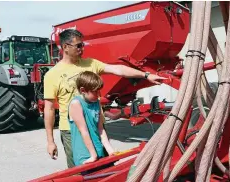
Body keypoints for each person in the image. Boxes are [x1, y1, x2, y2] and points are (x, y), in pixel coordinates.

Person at [44, 29, 166, 168]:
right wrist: (50, 141)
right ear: (65, 47)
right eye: (78, 45)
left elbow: (118, 69)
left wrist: (146, 75)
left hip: (97, 125)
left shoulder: (90, 64)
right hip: (72, 132)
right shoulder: (52, 75)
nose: (82, 48)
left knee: (106, 168)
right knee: (80, 171)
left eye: (82, 45)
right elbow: (49, 110)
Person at [68, 71, 114, 169]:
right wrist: (93, 155)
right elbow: (83, 131)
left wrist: (110, 151)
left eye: (99, 91)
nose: (98, 94)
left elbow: (100, 129)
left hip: (98, 150)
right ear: (83, 90)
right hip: (85, 154)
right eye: (95, 91)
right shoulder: (76, 104)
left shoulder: (96, 102)